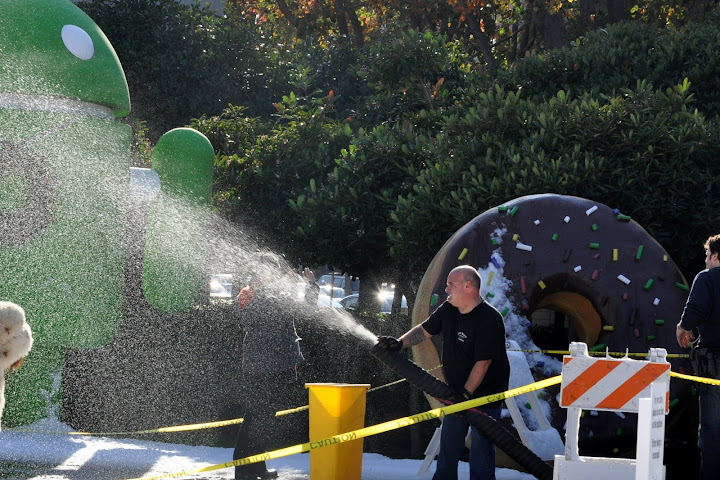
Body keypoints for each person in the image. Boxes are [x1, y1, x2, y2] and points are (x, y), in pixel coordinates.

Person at [376, 265, 510, 480]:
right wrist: (399, 343)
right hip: (456, 392)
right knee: (449, 444)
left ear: (468, 286)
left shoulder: (489, 319)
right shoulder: (449, 309)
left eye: (451, 284)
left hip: (485, 395)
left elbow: (483, 363)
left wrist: (466, 394)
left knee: (481, 448)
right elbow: (424, 330)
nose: (446, 289)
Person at [233, 253, 305, 480]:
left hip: (278, 366)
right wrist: (272, 290)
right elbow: (253, 319)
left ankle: (256, 468)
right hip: (260, 368)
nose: (272, 274)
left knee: (264, 419)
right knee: (255, 417)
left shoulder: (276, 293)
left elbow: (299, 312)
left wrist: (309, 286)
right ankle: (242, 469)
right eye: (267, 270)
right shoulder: (249, 293)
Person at [676, 234, 720, 480]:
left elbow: (692, 315)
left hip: (715, 365)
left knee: (713, 430)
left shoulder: (707, 278)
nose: (705, 260)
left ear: (715, 256)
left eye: (707, 255)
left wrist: (682, 328)